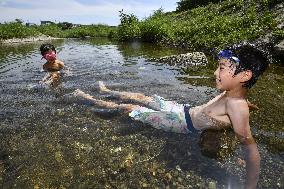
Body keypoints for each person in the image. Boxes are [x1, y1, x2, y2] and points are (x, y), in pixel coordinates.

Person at [72, 44, 269, 189]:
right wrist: (250, 106)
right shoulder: (233, 94)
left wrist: (249, 186)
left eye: (222, 68)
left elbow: (251, 150)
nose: (215, 71)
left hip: (182, 123)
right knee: (142, 97)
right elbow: (238, 106)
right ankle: (108, 91)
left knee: (130, 107)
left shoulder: (236, 106)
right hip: (183, 110)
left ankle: (89, 99)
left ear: (244, 76)